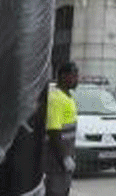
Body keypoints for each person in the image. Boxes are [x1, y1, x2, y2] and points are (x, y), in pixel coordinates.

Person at [45, 62, 79, 196]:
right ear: (63, 76)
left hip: (63, 160)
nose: (77, 79)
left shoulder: (67, 97)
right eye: (74, 76)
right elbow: (53, 131)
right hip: (55, 161)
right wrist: (64, 158)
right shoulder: (56, 98)